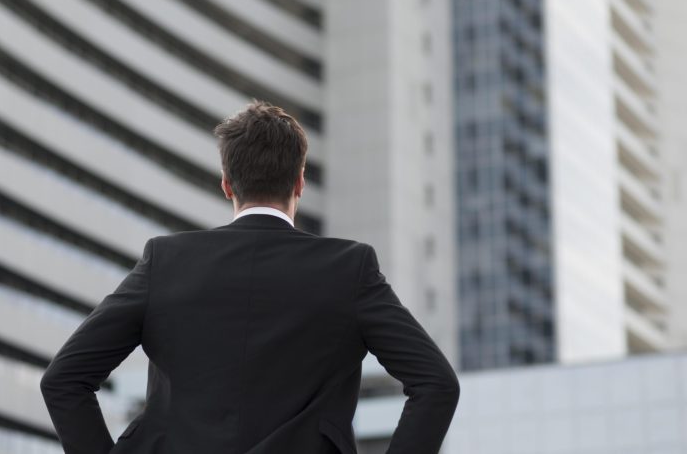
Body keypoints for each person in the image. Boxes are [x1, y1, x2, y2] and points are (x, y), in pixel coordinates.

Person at [40, 99, 460, 454]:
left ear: (226, 184)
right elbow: (436, 384)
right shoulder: (350, 268)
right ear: (299, 182)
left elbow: (63, 380)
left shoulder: (165, 261)